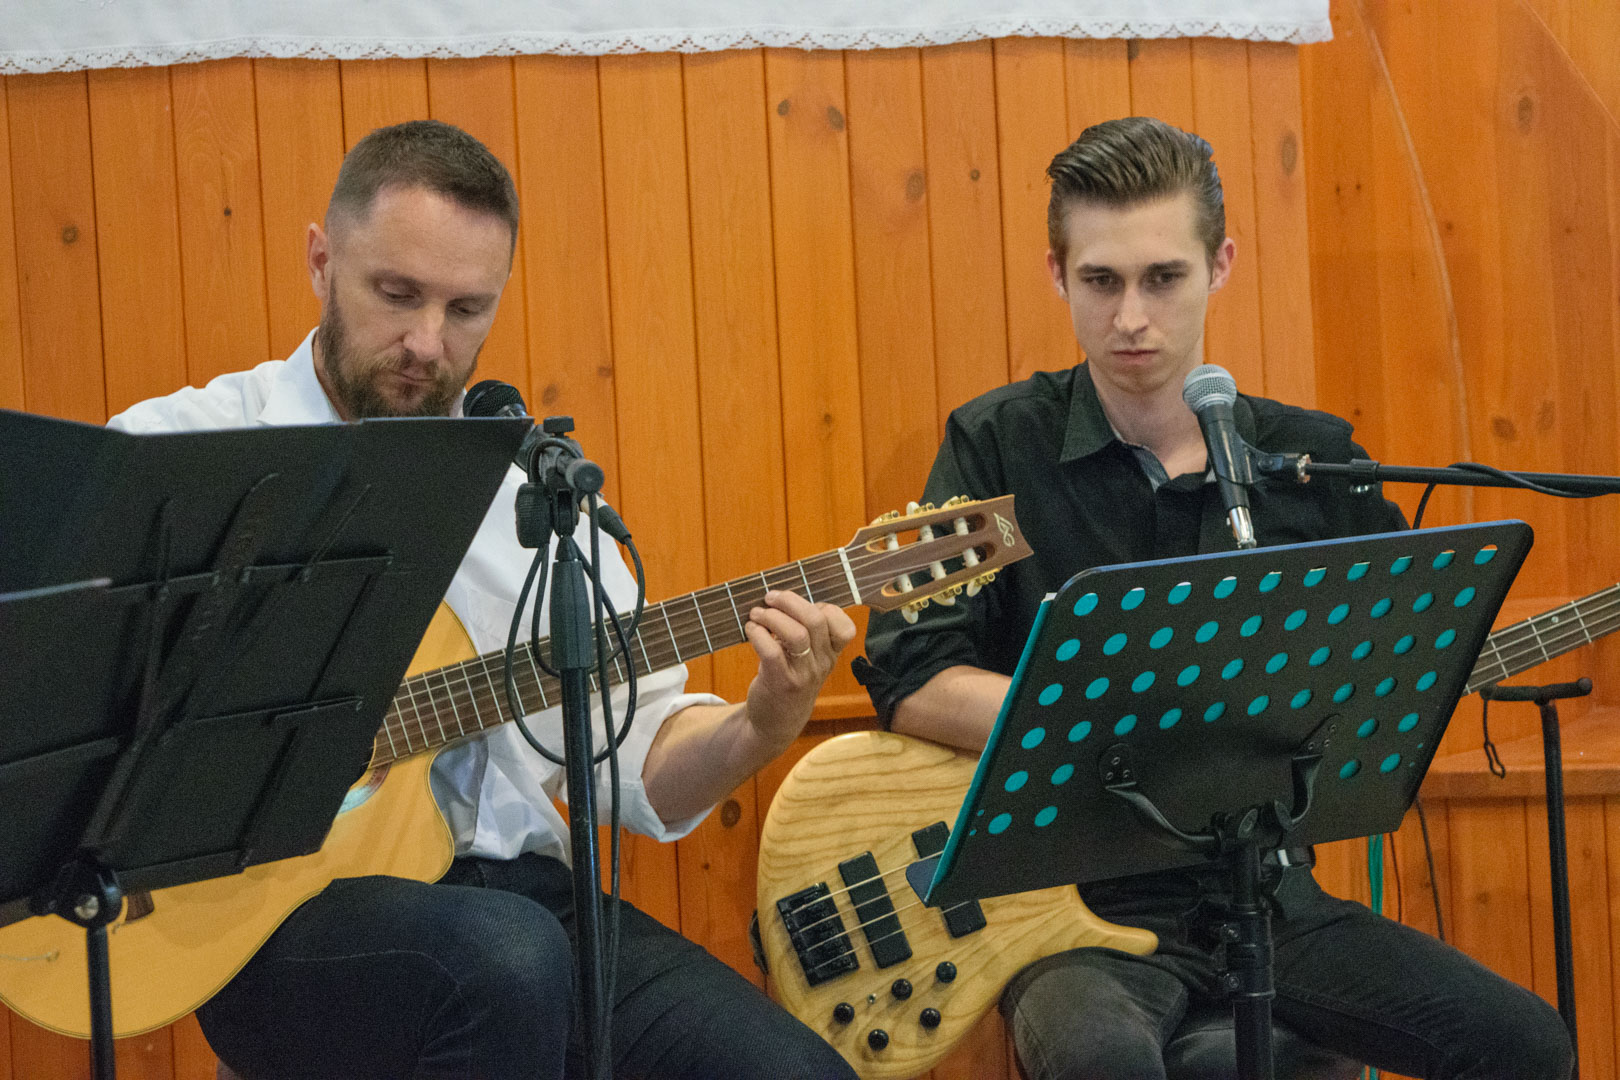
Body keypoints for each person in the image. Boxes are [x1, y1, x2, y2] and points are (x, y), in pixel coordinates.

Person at [109, 119, 859, 1080]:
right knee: (506, 959)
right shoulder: (179, 455)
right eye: (396, 295)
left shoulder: (539, 502)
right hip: (270, 922)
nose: (428, 343)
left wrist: (761, 723)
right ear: (321, 260)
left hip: (524, 901)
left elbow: (637, 764)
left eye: (467, 309)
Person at [855, 116, 1573, 1080]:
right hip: (1070, 911)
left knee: (1525, 1044)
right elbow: (911, 675)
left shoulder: (1313, 458)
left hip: (1271, 899)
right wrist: (1131, 722)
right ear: (1056, 274)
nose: (1131, 318)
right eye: (1101, 281)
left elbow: (1407, 654)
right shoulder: (993, 444)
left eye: (1164, 278)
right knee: (1101, 1062)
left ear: (1220, 264)